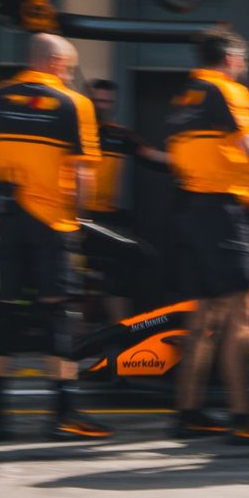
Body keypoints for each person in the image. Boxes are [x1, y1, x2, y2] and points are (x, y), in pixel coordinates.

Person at [0, 33, 111, 440]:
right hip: (53, 224)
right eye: (68, 69)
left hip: (8, 219)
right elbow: (82, 173)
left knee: (4, 313)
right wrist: (80, 220)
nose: (69, 76)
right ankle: (63, 415)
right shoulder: (74, 103)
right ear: (56, 63)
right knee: (58, 316)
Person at [166, 32, 249, 444]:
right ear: (232, 58)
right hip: (221, 214)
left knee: (204, 318)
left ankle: (188, 412)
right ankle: (244, 415)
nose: (244, 67)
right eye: (243, 59)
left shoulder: (183, 98)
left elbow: (187, 156)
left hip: (188, 210)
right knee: (242, 315)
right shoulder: (227, 90)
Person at [86, 78, 167, 319]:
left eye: (107, 101)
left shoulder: (119, 135)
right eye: (97, 100)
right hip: (75, 216)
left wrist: (191, 163)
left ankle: (119, 327)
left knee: (120, 269)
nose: (102, 106)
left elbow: (152, 156)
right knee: (80, 274)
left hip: (107, 216)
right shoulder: (73, 131)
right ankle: (76, 329)